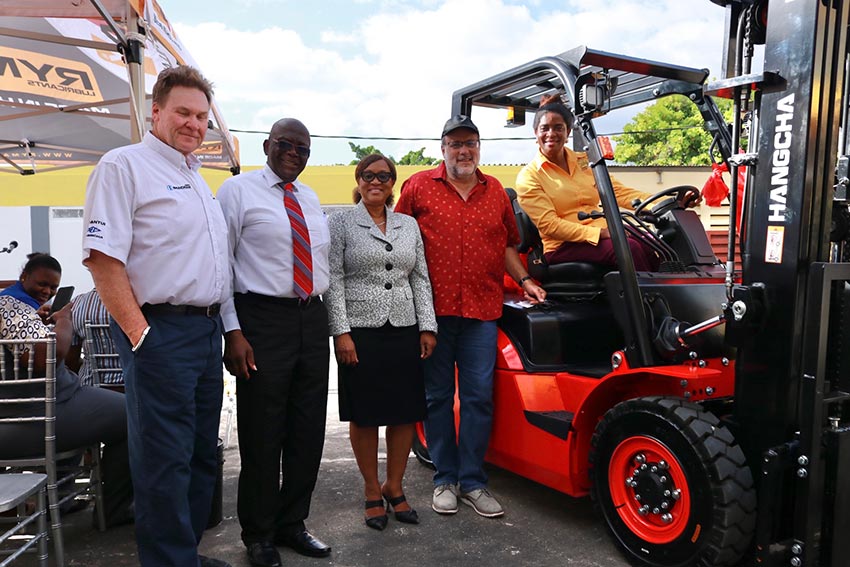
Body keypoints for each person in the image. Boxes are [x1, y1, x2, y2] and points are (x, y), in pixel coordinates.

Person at [82, 66, 232, 567]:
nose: (194, 124)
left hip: (205, 333)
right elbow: (104, 259)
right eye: (183, 113)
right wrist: (141, 336)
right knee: (164, 460)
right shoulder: (124, 166)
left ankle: (182, 555)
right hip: (160, 332)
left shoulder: (196, 177)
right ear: (156, 111)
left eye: (201, 117)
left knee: (198, 455)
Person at [395, 115, 546, 519]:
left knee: (479, 397)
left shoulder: (495, 190)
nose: (464, 150)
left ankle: (474, 482)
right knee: (438, 397)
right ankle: (444, 478)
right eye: (456, 143)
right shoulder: (417, 188)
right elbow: (396, 240)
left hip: (482, 311)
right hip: (434, 314)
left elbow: (509, 247)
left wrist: (526, 279)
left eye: (471, 143)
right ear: (442, 147)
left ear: (479, 148)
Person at [217, 118, 331, 567]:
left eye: (302, 148)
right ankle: (259, 533)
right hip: (260, 319)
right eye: (285, 144)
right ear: (267, 145)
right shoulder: (238, 191)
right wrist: (233, 330)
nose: (294, 153)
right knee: (263, 432)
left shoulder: (311, 197)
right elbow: (221, 265)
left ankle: (292, 523)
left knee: (308, 430)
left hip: (310, 316)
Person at [325, 154, 437, 531]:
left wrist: (427, 326)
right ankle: (372, 489)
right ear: (358, 180)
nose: (376, 181)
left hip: (404, 327)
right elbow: (334, 279)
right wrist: (341, 332)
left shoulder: (408, 225)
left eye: (384, 176)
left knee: (405, 411)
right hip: (360, 332)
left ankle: (395, 485)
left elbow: (420, 278)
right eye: (369, 175)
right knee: (366, 412)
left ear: (393, 182)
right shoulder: (340, 222)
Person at [0, 253, 133, 528]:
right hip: (40, 415)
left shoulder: (12, 303)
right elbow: (49, 356)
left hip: (21, 415)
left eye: (53, 289)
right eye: (41, 285)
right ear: (23, 277)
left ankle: (60, 498)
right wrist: (64, 322)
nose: (47, 292)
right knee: (134, 416)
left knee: (91, 414)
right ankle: (113, 508)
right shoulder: (12, 308)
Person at [516, 94, 700, 272]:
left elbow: (617, 193)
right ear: (535, 133)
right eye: (545, 128)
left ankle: (671, 295)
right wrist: (600, 234)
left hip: (603, 233)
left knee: (654, 243)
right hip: (562, 245)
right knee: (629, 249)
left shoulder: (584, 162)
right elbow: (550, 225)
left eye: (558, 128)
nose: (551, 134)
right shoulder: (530, 176)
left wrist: (666, 202)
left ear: (568, 132)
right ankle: (648, 302)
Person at [65, 288, 123, 387]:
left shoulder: (76, 304)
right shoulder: (142, 302)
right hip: (138, 391)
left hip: (91, 388)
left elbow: (70, 361)